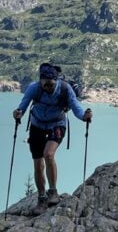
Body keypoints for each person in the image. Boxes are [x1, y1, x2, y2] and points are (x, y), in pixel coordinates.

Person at [13, 63, 93, 214]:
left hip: (57, 124)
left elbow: (75, 106)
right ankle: (42, 198)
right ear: (41, 80)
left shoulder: (65, 89)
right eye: (45, 84)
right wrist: (18, 113)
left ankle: (53, 192)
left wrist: (84, 116)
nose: (48, 87)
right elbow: (22, 106)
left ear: (56, 81)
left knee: (48, 154)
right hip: (37, 125)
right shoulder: (34, 88)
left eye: (51, 84)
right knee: (38, 163)